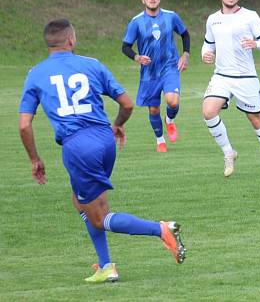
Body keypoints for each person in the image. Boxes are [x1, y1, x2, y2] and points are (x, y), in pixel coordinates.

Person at [19, 19, 186, 284]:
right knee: (81, 201)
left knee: (98, 217)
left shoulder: (36, 73)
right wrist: (117, 125)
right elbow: (128, 104)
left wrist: (35, 159)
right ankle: (106, 266)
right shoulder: (92, 64)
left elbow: (25, 125)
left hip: (77, 148)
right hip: (104, 140)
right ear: (71, 40)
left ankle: (161, 229)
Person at [201, 0, 260, 179]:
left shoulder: (250, 16)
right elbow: (208, 44)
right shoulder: (213, 19)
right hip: (221, 76)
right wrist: (205, 54)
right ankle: (229, 152)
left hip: (245, 77)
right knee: (208, 112)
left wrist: (256, 44)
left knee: (256, 120)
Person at [122, 0, 190, 152]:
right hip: (149, 72)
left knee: (172, 101)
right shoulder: (136, 22)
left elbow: (185, 34)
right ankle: (160, 140)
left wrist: (185, 55)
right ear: (143, 0)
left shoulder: (171, 16)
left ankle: (170, 121)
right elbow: (125, 47)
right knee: (153, 108)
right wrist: (137, 57)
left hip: (170, 66)